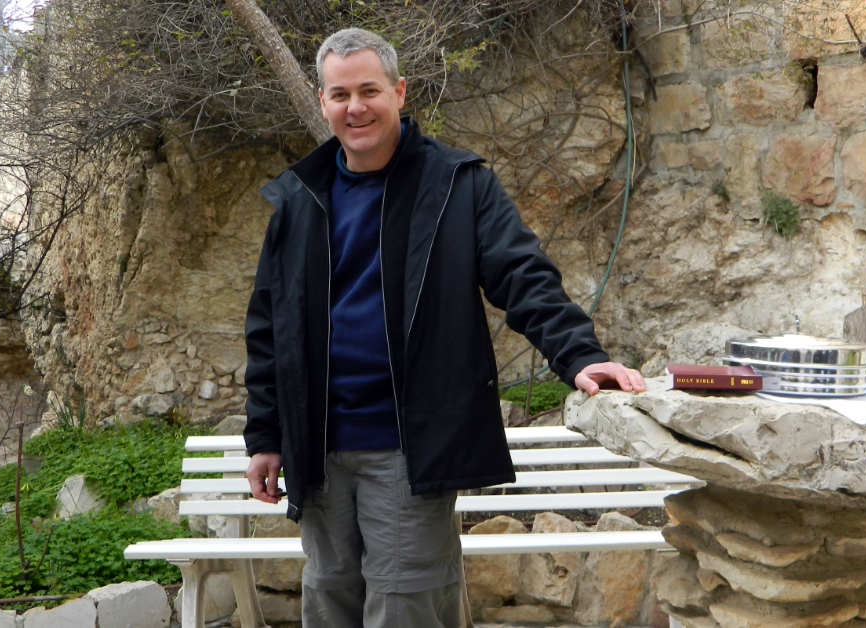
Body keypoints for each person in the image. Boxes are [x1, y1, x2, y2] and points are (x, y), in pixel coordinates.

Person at [241, 27, 645, 628]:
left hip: (410, 443)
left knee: (406, 604)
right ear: (324, 102)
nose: (356, 107)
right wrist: (265, 434)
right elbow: (270, 328)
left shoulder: (458, 183)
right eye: (340, 94)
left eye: (369, 90)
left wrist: (579, 355)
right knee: (329, 599)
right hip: (318, 447)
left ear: (400, 92)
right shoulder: (301, 199)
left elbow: (522, 275)